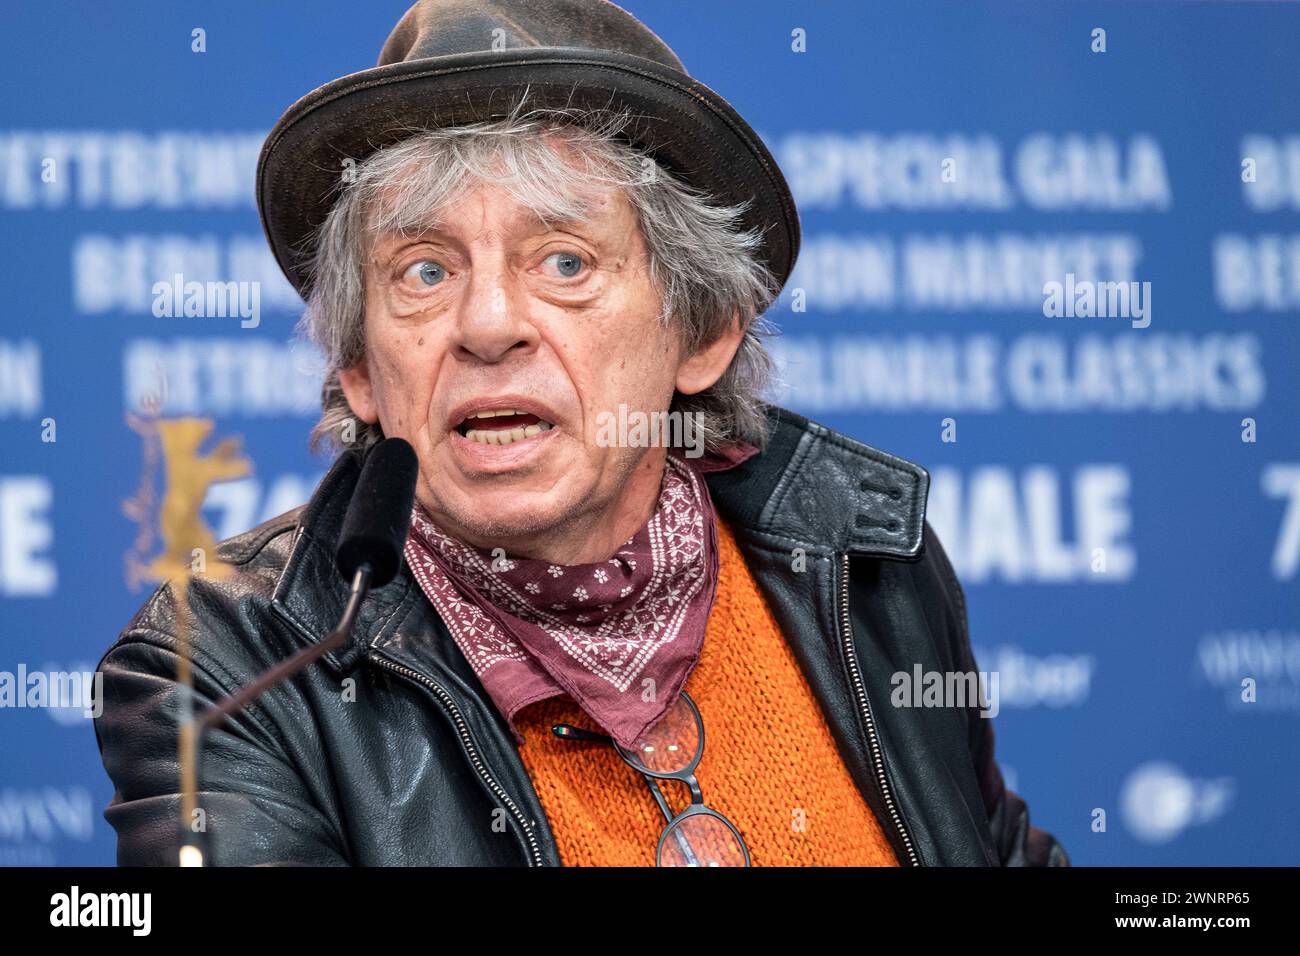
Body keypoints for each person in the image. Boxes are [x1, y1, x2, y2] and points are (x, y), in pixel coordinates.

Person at [94, 0, 1068, 867]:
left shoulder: (859, 558)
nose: (486, 326)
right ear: (360, 368)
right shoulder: (229, 669)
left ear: (702, 330)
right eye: (423, 272)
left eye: (563, 260)